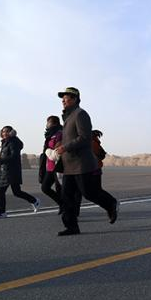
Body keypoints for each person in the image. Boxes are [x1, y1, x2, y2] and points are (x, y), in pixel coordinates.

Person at [56, 87, 119, 236]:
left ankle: (110, 203)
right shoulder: (68, 117)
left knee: (89, 193)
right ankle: (72, 227)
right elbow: (72, 138)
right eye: (63, 98)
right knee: (66, 197)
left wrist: (65, 147)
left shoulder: (80, 114)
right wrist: (61, 146)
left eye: (66, 98)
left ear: (75, 99)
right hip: (69, 165)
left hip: (82, 164)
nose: (63, 101)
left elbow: (85, 138)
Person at [0, 126, 40, 219]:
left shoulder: (13, 142)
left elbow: (14, 156)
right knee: (16, 192)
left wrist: (0, 161)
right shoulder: (6, 142)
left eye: (7, 131)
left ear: (12, 132)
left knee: (1, 191)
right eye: (3, 131)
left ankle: (1, 212)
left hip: (11, 171)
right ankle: (34, 200)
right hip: (6, 171)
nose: (4, 133)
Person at [39, 116, 63, 208]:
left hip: (58, 166)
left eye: (48, 122)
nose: (47, 125)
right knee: (45, 188)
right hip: (50, 166)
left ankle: (65, 208)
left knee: (59, 189)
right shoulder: (49, 135)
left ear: (54, 123)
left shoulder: (59, 134)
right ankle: (62, 204)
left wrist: (48, 150)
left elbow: (57, 150)